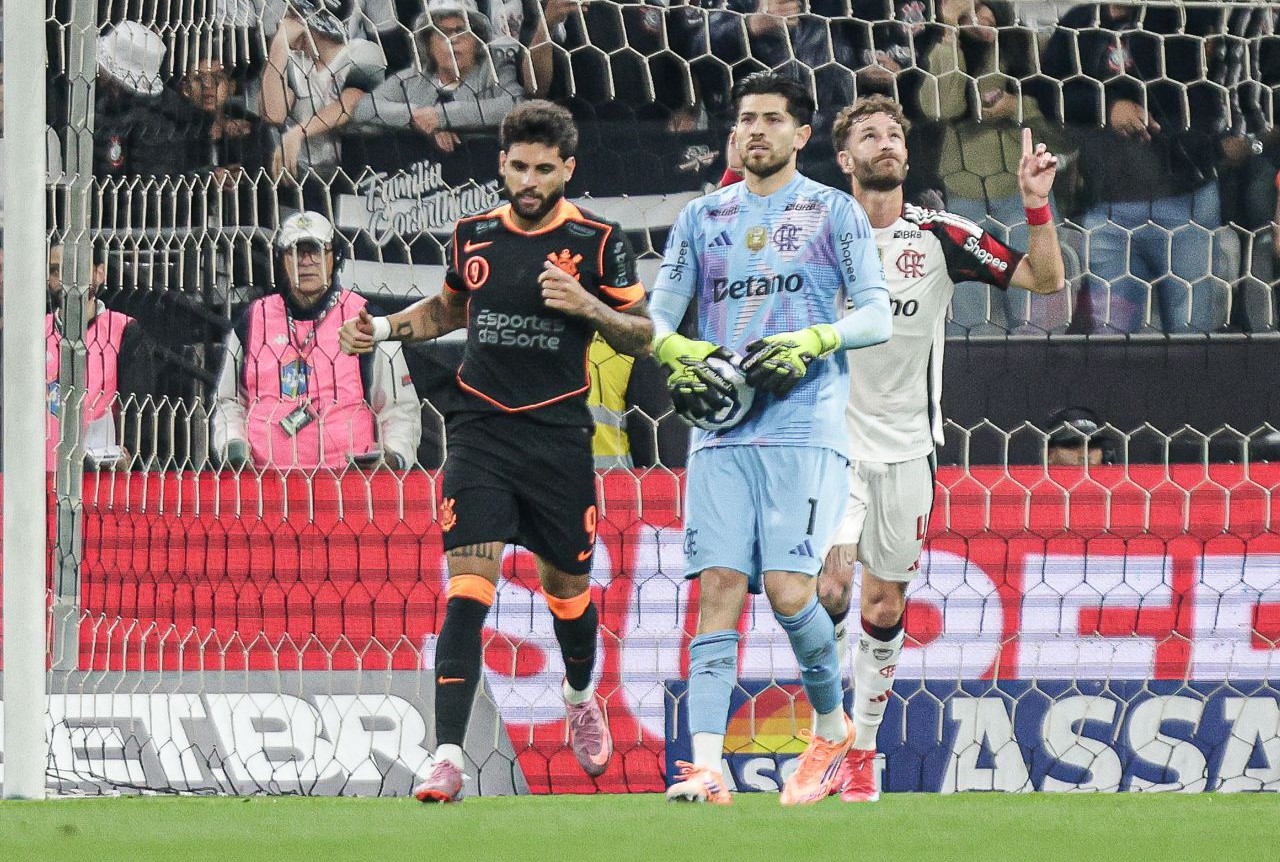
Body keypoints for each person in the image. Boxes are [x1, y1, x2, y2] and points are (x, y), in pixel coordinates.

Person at [338, 101, 653, 803]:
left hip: (559, 439)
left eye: (545, 168)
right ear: (502, 164)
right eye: (519, 166)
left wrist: (587, 306)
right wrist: (383, 328)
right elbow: (449, 310)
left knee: (567, 594)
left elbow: (641, 333)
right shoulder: (473, 235)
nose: (530, 179)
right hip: (479, 430)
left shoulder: (599, 242)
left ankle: (578, 698)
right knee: (467, 595)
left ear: (568, 169)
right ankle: (446, 756)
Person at [651, 71, 891, 806]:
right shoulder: (701, 217)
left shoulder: (833, 212)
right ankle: (706, 767)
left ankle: (829, 727)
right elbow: (661, 318)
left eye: (773, 119)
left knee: (792, 592)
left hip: (804, 425)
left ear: (801, 134)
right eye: (747, 119)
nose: (757, 130)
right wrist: (678, 352)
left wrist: (818, 337)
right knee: (718, 588)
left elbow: (877, 315)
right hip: (722, 431)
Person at [816, 94, 1063, 802]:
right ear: (845, 159)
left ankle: (862, 752)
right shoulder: (817, 237)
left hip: (906, 450)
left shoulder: (940, 236)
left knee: (885, 607)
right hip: (830, 447)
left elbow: (1045, 283)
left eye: (895, 133)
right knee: (827, 584)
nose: (887, 143)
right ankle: (829, 734)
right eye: (870, 135)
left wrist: (1036, 204)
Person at [1040, 3, 1233, 333]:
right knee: (1112, 338)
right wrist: (1108, 107)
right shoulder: (1078, 22)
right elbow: (1049, 94)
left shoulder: (1177, 16)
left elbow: (1187, 81)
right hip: (1109, 208)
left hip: (1184, 202)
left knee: (1191, 334)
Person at [212, 211, 420, 470]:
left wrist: (392, 457)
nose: (307, 260)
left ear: (335, 257)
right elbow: (229, 401)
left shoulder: (367, 319)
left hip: (349, 483)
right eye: (296, 251)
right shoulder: (252, 320)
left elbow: (399, 406)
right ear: (282, 260)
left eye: (317, 250)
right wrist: (232, 444)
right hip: (265, 482)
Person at [921, 0, 1067, 332]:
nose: (979, 18)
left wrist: (1019, 107)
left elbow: (1060, 124)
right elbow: (939, 108)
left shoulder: (1028, 47)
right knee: (971, 309)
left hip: (1023, 193)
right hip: (965, 194)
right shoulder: (946, 49)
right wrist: (948, 30)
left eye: (983, 7)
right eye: (968, 10)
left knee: (1038, 309)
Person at [351, 3, 521, 153]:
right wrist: (416, 117)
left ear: (477, 40)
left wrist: (443, 116)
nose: (453, 40)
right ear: (428, 44)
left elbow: (516, 105)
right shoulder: (413, 78)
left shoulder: (495, 71)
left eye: (461, 31)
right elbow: (363, 109)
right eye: (442, 33)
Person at [260, 0, 387, 179]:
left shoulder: (365, 52)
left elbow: (349, 105)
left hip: (356, 175)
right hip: (303, 178)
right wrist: (278, 47)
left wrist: (298, 132)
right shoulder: (292, 64)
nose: (286, 23)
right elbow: (274, 114)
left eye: (293, 16)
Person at [45, 243, 140, 472]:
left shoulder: (124, 330)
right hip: (38, 479)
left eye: (74, 268)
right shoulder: (32, 334)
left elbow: (138, 410)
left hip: (102, 478)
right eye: (56, 270)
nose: (65, 279)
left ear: (99, 273)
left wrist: (129, 454)